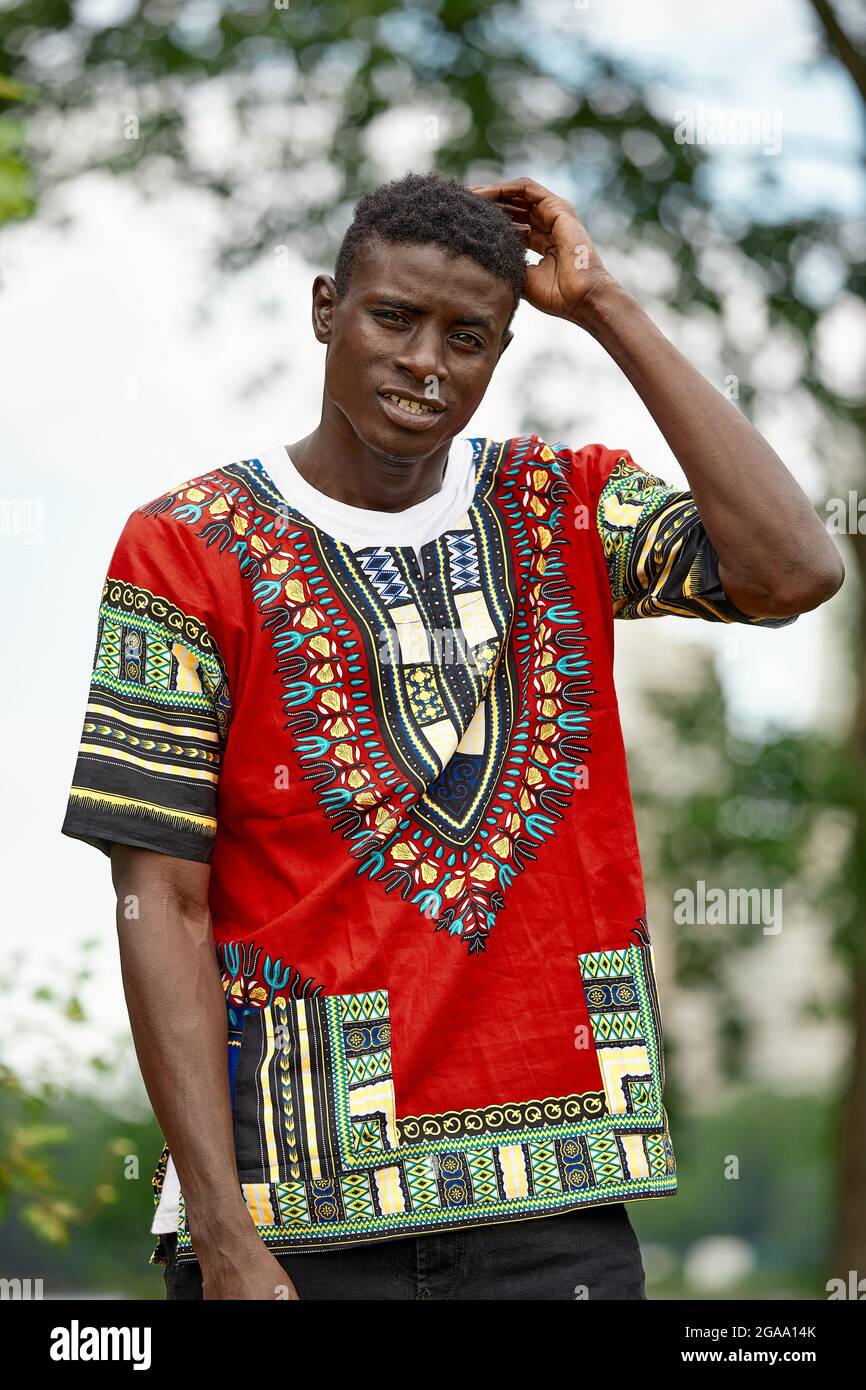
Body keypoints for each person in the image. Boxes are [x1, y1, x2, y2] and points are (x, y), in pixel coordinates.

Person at [61, 172, 843, 1301]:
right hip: (297, 1217)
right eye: (393, 318)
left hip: (557, 1214)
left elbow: (791, 570)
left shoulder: (559, 503)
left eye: (468, 336)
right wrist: (226, 1239)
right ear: (326, 306)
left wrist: (604, 303)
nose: (426, 362)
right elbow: (162, 903)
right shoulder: (185, 551)